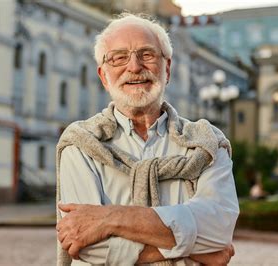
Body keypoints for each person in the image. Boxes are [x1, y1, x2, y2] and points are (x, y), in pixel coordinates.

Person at [55, 13, 239, 266]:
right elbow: (86, 246)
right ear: (103, 76)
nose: (134, 67)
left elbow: (219, 231)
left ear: (167, 68)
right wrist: (195, 248)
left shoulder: (206, 142)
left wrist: (110, 219)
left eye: (147, 55)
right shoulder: (80, 144)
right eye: (119, 57)